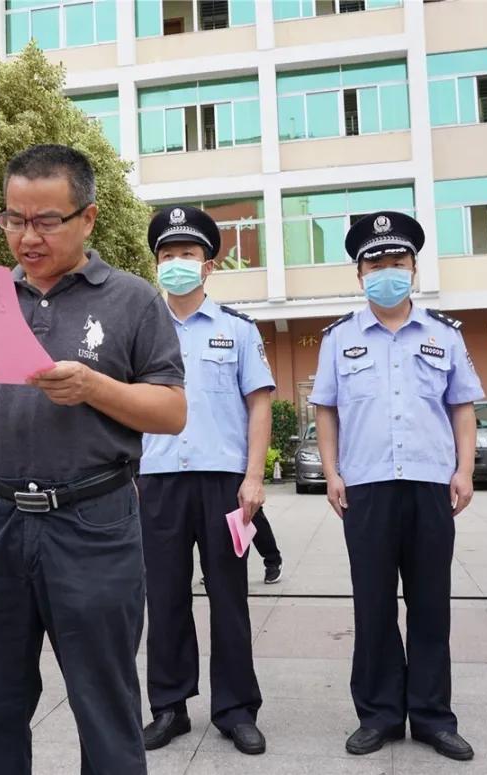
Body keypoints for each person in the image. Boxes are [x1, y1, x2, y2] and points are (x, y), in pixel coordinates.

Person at [0, 144, 186, 775]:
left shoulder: (131, 299)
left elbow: (172, 411)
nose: (26, 236)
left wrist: (94, 387)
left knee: (105, 701)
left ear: (88, 218)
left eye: (47, 220)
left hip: (92, 519)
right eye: (14, 219)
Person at [310, 212, 483, 761]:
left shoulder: (443, 336)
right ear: (360, 274)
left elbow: (462, 408)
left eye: (397, 262)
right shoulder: (338, 339)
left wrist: (465, 469)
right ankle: (380, 714)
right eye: (376, 263)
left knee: (432, 604)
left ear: (414, 268)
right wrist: (332, 473)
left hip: (431, 484)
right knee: (375, 606)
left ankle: (433, 717)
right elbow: (326, 411)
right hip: (367, 490)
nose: (388, 271)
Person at [138, 205, 276, 756]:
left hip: (224, 482)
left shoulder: (237, 330)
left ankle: (236, 709)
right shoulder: (141, 330)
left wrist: (255, 478)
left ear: (208, 264)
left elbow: (259, 404)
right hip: (158, 480)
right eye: (167, 255)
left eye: (188, 255)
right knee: (164, 598)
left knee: (229, 598)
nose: (177, 264)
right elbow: (125, 407)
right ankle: (169, 707)